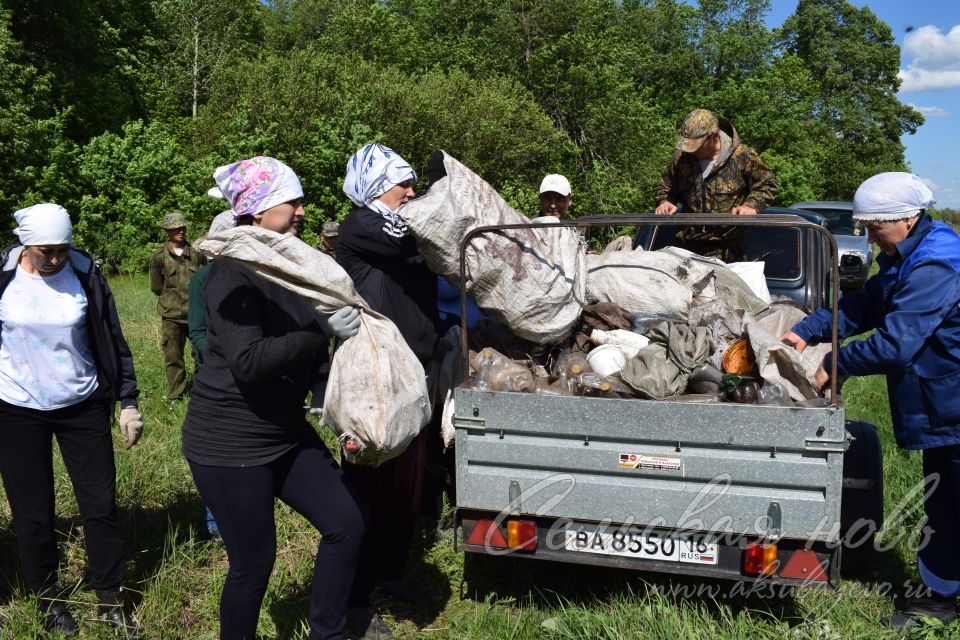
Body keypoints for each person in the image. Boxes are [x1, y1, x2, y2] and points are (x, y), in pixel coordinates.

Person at [181, 156, 365, 640]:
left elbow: (301, 341)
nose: (302, 210)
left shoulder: (284, 262)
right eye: (293, 201)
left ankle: (327, 632)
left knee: (346, 523)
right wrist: (319, 330)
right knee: (253, 563)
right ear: (259, 209)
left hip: (283, 431)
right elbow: (250, 360)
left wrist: (330, 393)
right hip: (229, 443)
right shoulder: (232, 273)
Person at [779, 172, 960, 630]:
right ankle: (940, 595)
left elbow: (896, 343)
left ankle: (937, 604)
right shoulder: (906, 253)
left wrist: (837, 361)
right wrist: (808, 329)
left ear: (906, 217)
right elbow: (865, 305)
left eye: (874, 227)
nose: (870, 237)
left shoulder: (937, 263)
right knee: (948, 502)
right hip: (944, 403)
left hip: (954, 401)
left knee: (953, 504)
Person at [0, 203, 143, 637]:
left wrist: (129, 400)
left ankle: (110, 601)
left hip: (82, 405)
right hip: (16, 409)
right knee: (33, 513)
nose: (56, 258)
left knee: (100, 507)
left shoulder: (85, 275)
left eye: (63, 248)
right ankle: (50, 600)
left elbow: (113, 340)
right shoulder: (4, 277)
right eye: (47, 250)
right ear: (27, 244)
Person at [337, 143, 440, 639]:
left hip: (412, 372)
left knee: (406, 484)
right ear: (379, 188)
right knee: (367, 489)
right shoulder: (362, 224)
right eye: (405, 184)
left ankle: (391, 572)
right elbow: (411, 238)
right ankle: (354, 600)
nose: (412, 192)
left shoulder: (396, 225)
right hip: (377, 377)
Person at [654, 108, 777, 260]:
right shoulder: (681, 158)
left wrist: (751, 205)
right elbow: (665, 187)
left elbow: (767, 183)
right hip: (686, 249)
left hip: (727, 251)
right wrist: (665, 201)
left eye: (697, 145)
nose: (692, 150)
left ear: (714, 136)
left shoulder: (742, 156)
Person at [186, 209, 235, 542]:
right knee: (216, 451)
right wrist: (223, 357)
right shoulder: (203, 279)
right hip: (218, 377)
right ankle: (216, 524)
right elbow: (198, 330)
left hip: (255, 377)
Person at [149, 211, 206, 402]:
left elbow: (205, 281)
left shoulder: (197, 254)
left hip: (196, 314)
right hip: (171, 315)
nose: (181, 230)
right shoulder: (159, 257)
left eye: (183, 227)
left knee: (201, 354)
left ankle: (202, 391)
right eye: (176, 228)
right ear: (168, 230)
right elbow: (157, 287)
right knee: (173, 357)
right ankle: (176, 396)